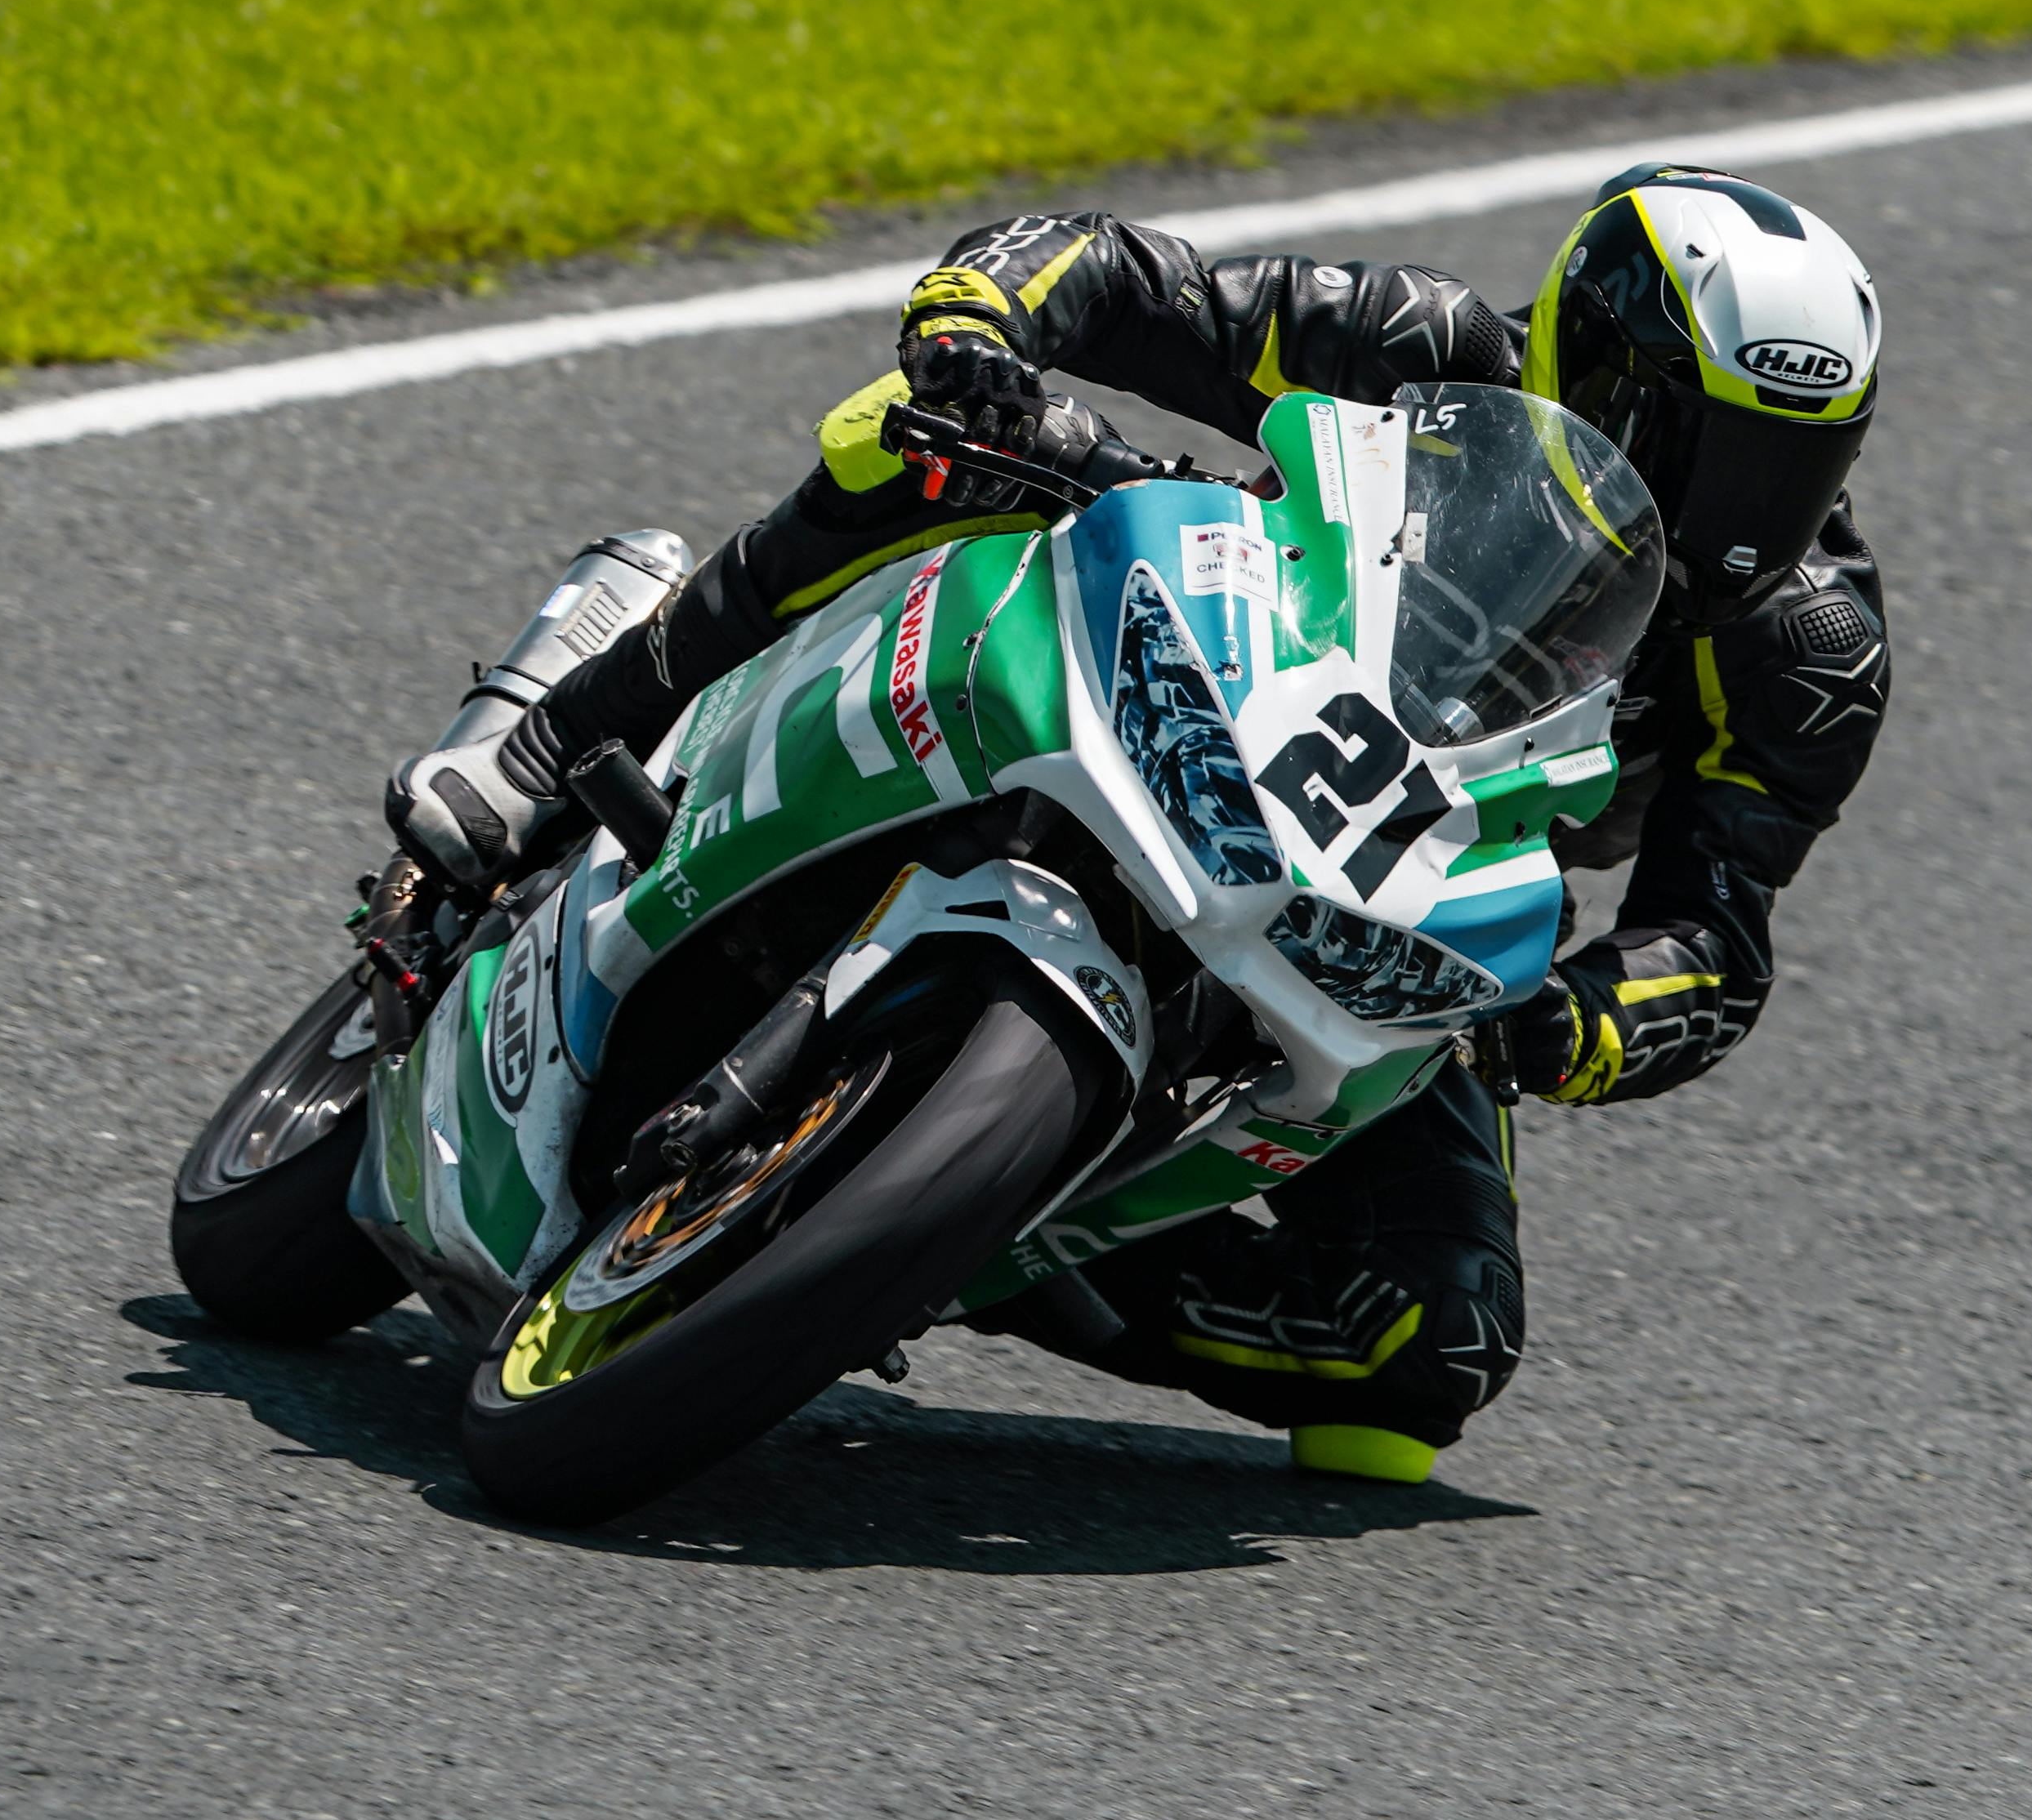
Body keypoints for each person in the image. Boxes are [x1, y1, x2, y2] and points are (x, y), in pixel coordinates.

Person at [388, 163, 1891, 1481]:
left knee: (1420, 1359)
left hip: (1391, 888)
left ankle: (957, 1233)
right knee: (909, 441)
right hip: (1184, 647)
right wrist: (979, 325)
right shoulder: (1427, 346)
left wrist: (1573, 1023)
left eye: (1791, 460)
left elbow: (1715, 937)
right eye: (1707, 441)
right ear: (1598, 351)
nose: (1739, 511)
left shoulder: (1806, 652)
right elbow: (1115, 275)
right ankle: (559, 735)